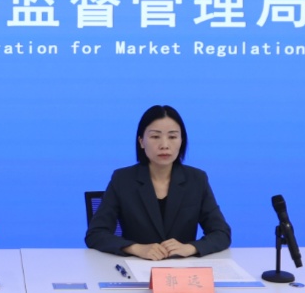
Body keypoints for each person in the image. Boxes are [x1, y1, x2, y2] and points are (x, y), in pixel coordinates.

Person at [86, 105, 232, 259]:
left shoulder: (196, 179)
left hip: (182, 268)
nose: (164, 145)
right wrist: (136, 248)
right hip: (137, 266)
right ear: (141, 142)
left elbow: (221, 233)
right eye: (155, 137)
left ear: (182, 141)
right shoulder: (122, 179)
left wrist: (190, 248)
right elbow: (96, 234)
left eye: (172, 137)